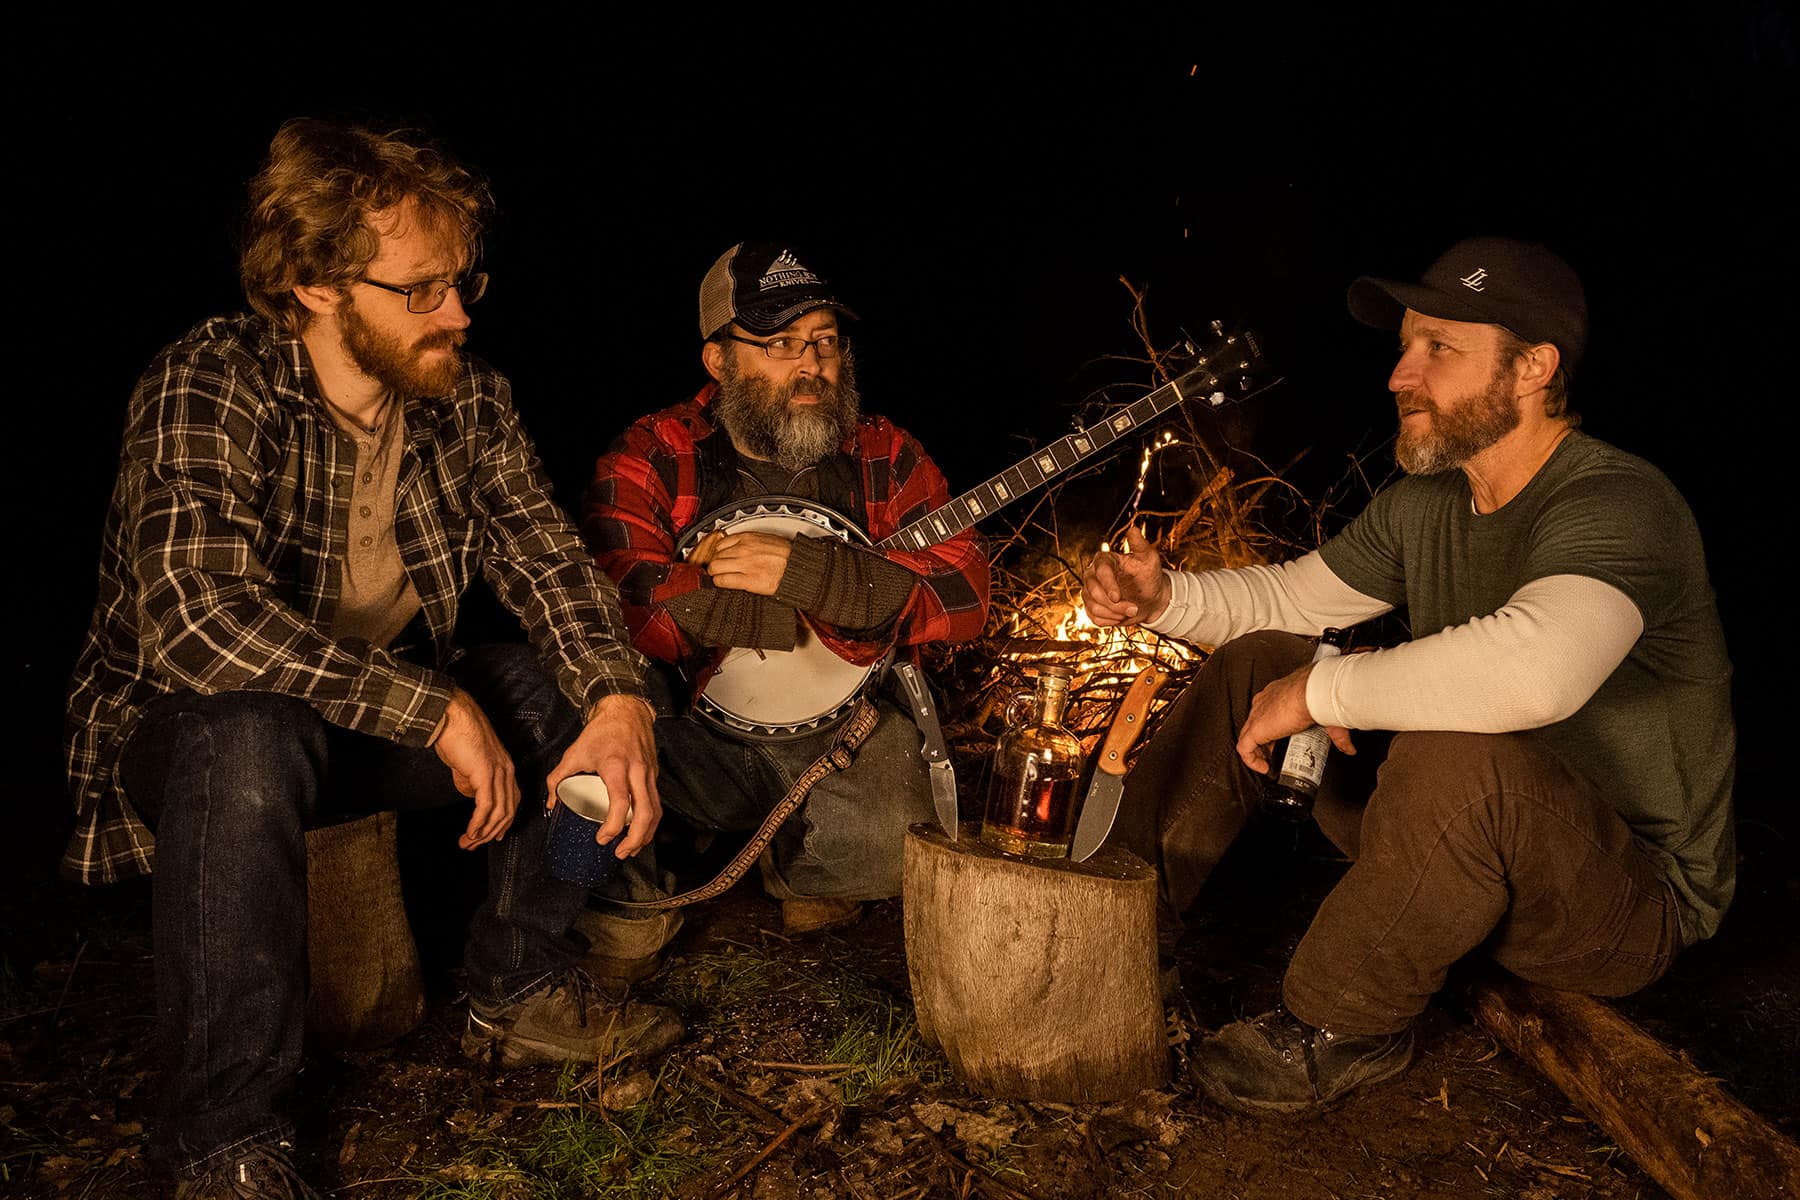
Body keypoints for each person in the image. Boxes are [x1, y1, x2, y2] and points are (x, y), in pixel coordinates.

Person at [62, 118, 680, 1197]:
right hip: (193, 741)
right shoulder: (211, 379)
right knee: (251, 737)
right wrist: (434, 709)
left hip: (361, 727)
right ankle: (218, 1138)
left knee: (557, 700)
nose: (458, 313)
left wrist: (621, 700)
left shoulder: (468, 397)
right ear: (313, 284)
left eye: (464, 281)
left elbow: (549, 562)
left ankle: (523, 977)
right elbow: (196, 623)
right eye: (421, 289)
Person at [1083, 237, 1735, 1115]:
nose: (1399, 374)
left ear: (1534, 367)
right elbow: (1286, 601)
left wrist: (1326, 691)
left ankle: (1335, 1025)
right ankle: (1114, 917)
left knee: (1455, 758)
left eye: (1439, 350)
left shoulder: (1619, 503)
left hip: (1617, 904)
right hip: (1448, 853)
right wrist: (1163, 598)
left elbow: (1538, 671)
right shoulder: (1426, 502)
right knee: (1266, 660)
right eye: (1404, 347)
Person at [579, 242, 989, 959]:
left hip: (835, 732)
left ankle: (801, 866)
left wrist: (810, 575)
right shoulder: (653, 452)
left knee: (899, 853)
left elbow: (964, 595)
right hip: (688, 728)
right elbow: (622, 607)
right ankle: (633, 899)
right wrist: (786, 598)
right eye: (779, 345)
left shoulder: (886, 454)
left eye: (825, 342)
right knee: (587, 714)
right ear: (719, 360)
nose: (811, 366)